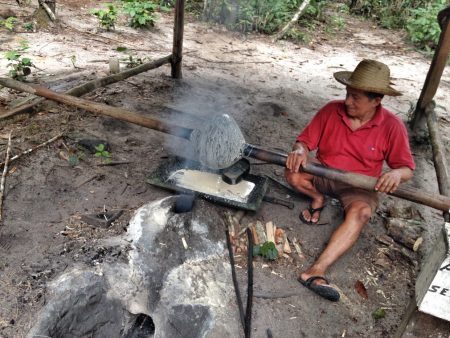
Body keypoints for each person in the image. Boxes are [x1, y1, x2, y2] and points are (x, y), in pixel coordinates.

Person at [285, 59, 415, 302]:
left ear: (376, 100)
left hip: (359, 185)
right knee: (292, 172)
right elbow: (304, 142)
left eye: (356, 97)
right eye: (347, 94)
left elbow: (407, 168)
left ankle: (316, 270)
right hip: (323, 173)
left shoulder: (392, 126)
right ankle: (317, 197)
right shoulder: (330, 110)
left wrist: (396, 174)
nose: (347, 101)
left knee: (362, 212)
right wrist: (300, 151)